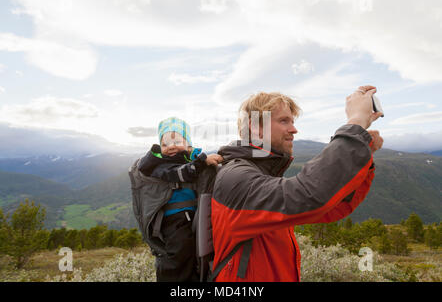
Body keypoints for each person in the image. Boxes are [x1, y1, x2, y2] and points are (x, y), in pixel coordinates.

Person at [211, 86, 384, 282]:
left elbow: (335, 207)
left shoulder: (261, 174)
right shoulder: (236, 178)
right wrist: (355, 125)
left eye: (292, 121)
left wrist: (363, 155)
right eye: (284, 121)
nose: (294, 129)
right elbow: (308, 195)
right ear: (255, 127)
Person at [137, 116, 222, 282]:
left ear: (187, 143)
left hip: (191, 214)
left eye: (176, 141)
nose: (171, 147)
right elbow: (182, 173)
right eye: (165, 144)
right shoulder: (160, 165)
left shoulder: (187, 158)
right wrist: (202, 162)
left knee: (198, 250)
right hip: (173, 218)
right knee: (180, 250)